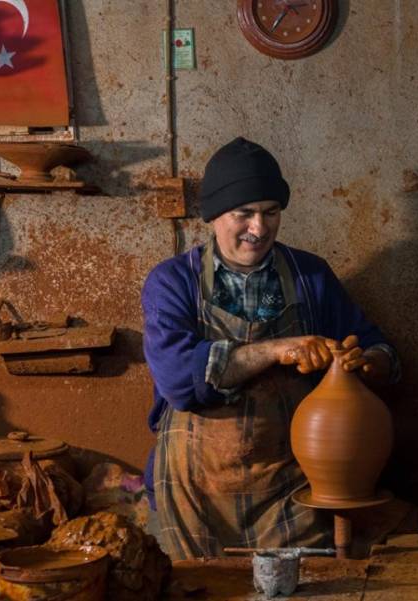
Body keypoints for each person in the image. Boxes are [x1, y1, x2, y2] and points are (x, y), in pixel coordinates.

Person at [140, 137, 399, 559]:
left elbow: (379, 348)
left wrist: (367, 362)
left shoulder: (310, 276)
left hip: (290, 490)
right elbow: (178, 381)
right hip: (196, 492)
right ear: (214, 217)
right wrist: (278, 350)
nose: (258, 228)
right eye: (244, 214)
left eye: (271, 212)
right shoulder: (172, 282)